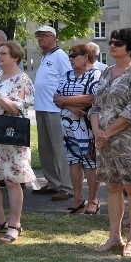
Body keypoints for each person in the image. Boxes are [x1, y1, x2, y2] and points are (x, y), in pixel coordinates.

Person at [89, 28, 131, 258]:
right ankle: (114, 237)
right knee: (112, 186)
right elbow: (96, 106)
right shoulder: (106, 72)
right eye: (111, 42)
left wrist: (108, 132)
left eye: (118, 43)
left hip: (126, 139)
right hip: (104, 139)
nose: (112, 45)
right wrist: (97, 130)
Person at [0, 41, 37, 244]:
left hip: (11, 136)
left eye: (3, 53)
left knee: (12, 181)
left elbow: (15, 109)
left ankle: (15, 224)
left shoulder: (23, 80)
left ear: (15, 57)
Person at [53, 43, 101, 215]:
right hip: (67, 125)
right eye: (69, 56)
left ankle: (94, 200)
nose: (70, 59)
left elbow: (92, 98)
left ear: (86, 57)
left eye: (74, 56)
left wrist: (65, 101)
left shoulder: (95, 75)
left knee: (90, 162)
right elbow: (56, 97)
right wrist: (70, 105)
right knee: (73, 161)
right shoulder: (66, 75)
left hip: (87, 126)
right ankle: (78, 198)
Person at [32, 25, 73, 201]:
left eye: (44, 35)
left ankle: (67, 186)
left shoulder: (60, 56)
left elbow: (70, 78)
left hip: (55, 109)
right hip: (41, 107)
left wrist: (67, 102)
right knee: (45, 149)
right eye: (38, 36)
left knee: (58, 149)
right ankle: (53, 182)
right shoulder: (45, 56)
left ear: (53, 37)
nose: (40, 38)